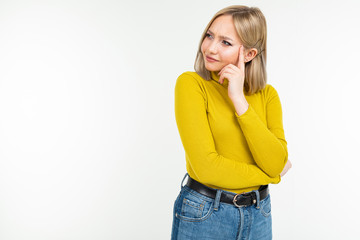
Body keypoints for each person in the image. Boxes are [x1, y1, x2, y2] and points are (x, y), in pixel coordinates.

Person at [171, 5, 292, 240]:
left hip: (259, 214)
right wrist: (271, 175)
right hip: (205, 214)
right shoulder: (192, 85)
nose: (210, 48)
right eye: (209, 35)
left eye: (225, 42)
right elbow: (206, 167)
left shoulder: (268, 96)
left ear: (249, 54)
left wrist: (238, 99)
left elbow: (275, 159)